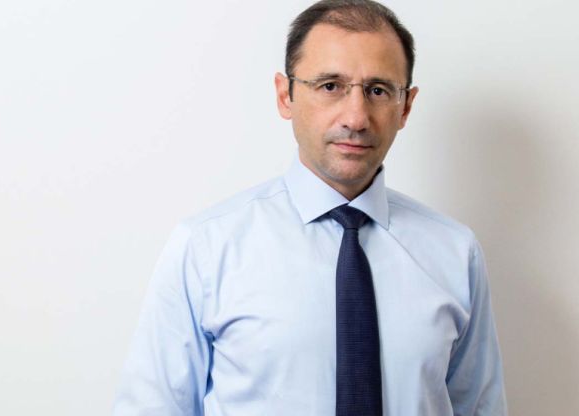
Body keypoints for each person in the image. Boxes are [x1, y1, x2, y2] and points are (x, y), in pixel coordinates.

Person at [113, 1, 508, 415]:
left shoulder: (455, 253)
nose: (356, 118)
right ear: (285, 95)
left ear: (405, 106)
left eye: (378, 90)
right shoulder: (206, 247)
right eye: (330, 86)